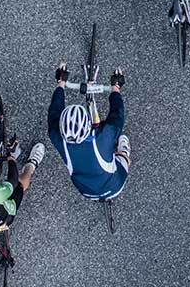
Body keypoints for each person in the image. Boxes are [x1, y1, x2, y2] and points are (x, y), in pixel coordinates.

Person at [48, 65, 130, 200]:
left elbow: (54, 110)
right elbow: (117, 114)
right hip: (114, 185)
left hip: (86, 191)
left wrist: (61, 84)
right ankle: (124, 152)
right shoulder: (104, 135)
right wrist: (116, 88)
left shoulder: (56, 137)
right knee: (122, 157)